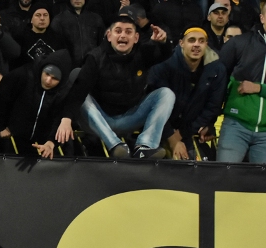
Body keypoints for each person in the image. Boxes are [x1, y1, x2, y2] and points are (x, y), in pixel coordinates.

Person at [57, 16, 174, 158]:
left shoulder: (142, 53)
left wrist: (163, 42)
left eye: (128, 32)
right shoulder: (95, 57)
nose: (123, 35)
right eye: (118, 31)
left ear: (136, 38)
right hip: (99, 121)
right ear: (109, 35)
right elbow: (78, 92)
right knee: (77, 77)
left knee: (166, 94)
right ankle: (115, 146)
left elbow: (165, 54)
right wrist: (66, 119)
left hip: (129, 118)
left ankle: (145, 147)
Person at [147, 27, 226, 160]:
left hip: (190, 131)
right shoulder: (164, 65)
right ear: (181, 43)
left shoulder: (217, 70)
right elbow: (154, 106)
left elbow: (212, 107)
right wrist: (172, 138)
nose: (196, 45)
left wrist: (182, 134)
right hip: (158, 128)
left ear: (206, 44)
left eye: (201, 41)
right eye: (191, 40)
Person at [0, 49, 72, 158]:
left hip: (43, 142)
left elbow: (59, 118)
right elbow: (1, 99)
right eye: (47, 74)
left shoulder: (65, 91)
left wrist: (51, 142)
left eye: (54, 78)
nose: (48, 80)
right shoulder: (23, 75)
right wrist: (0, 127)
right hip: (12, 135)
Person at [216, 1, 266, 163]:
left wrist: (258, 88)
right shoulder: (239, 43)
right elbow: (218, 81)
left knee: (261, 180)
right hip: (236, 125)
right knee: (225, 175)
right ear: (262, 18)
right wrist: (209, 120)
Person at [10, 3, 67, 69]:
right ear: (31, 19)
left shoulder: (58, 38)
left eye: (45, 15)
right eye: (38, 15)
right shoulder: (20, 38)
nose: (42, 18)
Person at [50, 0, 105, 67]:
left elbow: (102, 46)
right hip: (68, 67)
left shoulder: (96, 19)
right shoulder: (58, 21)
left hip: (93, 66)